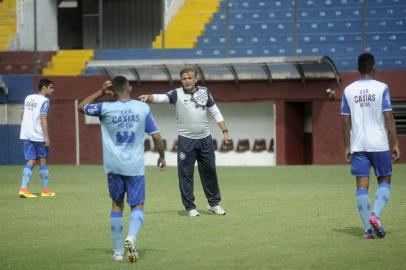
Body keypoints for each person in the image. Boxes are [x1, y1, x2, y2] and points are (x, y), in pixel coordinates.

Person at [77, 76, 166, 262]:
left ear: (113, 90)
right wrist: (162, 156)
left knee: (117, 205)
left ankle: (118, 251)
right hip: (134, 166)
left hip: (113, 166)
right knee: (137, 205)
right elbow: (156, 137)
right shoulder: (142, 108)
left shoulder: (105, 108)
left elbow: (81, 107)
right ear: (130, 87)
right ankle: (131, 237)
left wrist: (101, 92)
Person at [138, 67, 232, 217]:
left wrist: (225, 131)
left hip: (205, 139)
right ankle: (190, 207)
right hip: (186, 141)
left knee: (210, 172)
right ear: (181, 80)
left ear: (195, 79)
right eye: (184, 78)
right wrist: (148, 97)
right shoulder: (176, 94)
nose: (187, 81)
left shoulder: (204, 92)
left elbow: (215, 111)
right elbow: (161, 98)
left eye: (189, 78)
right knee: (186, 174)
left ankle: (213, 204)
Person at [341, 53, 400, 239]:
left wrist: (346, 146)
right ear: (373, 67)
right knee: (384, 180)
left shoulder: (348, 90)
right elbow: (388, 116)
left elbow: (344, 121)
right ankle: (375, 214)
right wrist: (395, 142)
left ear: (357, 69)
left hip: (358, 145)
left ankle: (367, 230)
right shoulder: (382, 88)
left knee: (362, 187)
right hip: (379, 144)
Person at [18, 78, 56, 198]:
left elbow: (22, 114)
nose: (53, 90)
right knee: (43, 159)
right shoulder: (45, 101)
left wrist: (25, 127)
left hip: (27, 134)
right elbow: (43, 118)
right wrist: (47, 137)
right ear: (44, 87)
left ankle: (23, 188)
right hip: (39, 135)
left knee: (31, 160)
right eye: (51, 87)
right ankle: (45, 190)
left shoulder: (28, 98)